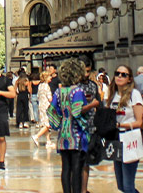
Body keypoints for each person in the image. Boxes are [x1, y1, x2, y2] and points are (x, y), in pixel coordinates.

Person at [47, 58, 89, 193]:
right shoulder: (77, 91)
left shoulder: (59, 92)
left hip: (63, 134)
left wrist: (58, 123)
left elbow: (52, 110)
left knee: (65, 168)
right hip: (75, 133)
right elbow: (77, 112)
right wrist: (90, 108)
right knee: (76, 168)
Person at [108, 64, 143, 193]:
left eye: (124, 74)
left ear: (129, 79)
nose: (119, 76)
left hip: (130, 138)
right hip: (116, 139)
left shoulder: (134, 95)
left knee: (128, 185)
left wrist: (121, 125)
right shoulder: (113, 95)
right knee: (121, 185)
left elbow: (139, 122)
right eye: (117, 73)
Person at [78, 56, 100, 193]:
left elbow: (99, 103)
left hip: (90, 127)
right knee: (76, 162)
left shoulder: (93, 85)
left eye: (88, 71)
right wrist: (90, 105)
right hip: (76, 128)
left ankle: (84, 190)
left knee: (86, 161)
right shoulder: (73, 86)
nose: (86, 75)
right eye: (84, 71)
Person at [31, 70, 55, 147]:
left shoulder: (40, 86)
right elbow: (50, 98)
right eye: (49, 76)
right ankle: (36, 136)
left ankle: (48, 141)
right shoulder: (46, 86)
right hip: (47, 106)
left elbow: (38, 96)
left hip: (41, 106)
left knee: (45, 124)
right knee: (48, 124)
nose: (50, 77)